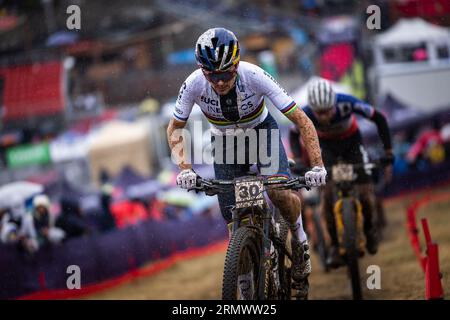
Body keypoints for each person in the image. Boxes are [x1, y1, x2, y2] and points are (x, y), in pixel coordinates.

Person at [166, 28, 327, 290]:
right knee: (233, 222)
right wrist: (185, 168)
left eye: (226, 73)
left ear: (237, 64)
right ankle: (244, 286)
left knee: (277, 190)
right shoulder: (193, 83)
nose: (219, 82)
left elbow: (301, 120)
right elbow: (174, 127)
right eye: (212, 75)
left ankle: (300, 239)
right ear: (202, 70)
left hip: (262, 133)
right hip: (226, 144)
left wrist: (318, 163)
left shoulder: (255, 75)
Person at [289, 78, 394, 268]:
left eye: (328, 110)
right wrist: (297, 159)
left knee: (364, 191)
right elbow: (293, 134)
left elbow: (379, 117)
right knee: (327, 195)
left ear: (334, 103)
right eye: (320, 113)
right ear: (313, 108)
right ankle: (335, 247)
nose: (324, 116)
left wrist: (388, 152)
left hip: (352, 143)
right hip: (327, 148)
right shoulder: (306, 113)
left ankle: (370, 229)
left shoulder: (347, 102)